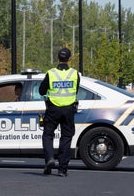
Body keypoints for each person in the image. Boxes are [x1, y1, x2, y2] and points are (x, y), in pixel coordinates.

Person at [39, 47, 79, 177]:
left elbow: (41, 91)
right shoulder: (74, 73)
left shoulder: (51, 73)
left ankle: (49, 159)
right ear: (69, 59)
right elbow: (76, 90)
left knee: (48, 135)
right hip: (69, 109)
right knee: (66, 137)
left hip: (53, 109)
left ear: (58, 58)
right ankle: (62, 169)